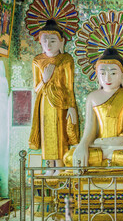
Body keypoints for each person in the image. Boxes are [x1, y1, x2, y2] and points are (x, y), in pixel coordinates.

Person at [64, 48, 123, 167]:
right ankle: (108, 156)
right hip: (100, 146)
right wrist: (82, 146)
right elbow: (89, 130)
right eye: (102, 73)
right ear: (97, 75)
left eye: (113, 73)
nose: (107, 78)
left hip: (121, 145)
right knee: (69, 157)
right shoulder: (92, 97)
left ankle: (106, 156)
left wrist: (116, 141)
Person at [29, 20, 79, 176]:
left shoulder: (66, 59)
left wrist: (71, 106)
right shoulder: (38, 61)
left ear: (61, 42)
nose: (48, 44)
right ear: (40, 42)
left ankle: (60, 165)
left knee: (60, 132)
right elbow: (36, 88)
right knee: (46, 133)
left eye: (53, 40)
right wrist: (44, 78)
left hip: (62, 103)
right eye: (45, 40)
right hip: (44, 102)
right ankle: (50, 165)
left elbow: (69, 86)